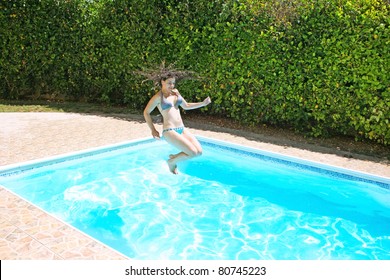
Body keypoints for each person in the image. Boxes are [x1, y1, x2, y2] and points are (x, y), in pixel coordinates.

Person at [143, 72, 211, 174]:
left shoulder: (176, 93)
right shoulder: (158, 97)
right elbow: (146, 112)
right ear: (162, 82)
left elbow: (186, 105)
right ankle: (171, 162)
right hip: (169, 131)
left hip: (181, 128)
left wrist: (203, 103)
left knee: (199, 152)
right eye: (169, 83)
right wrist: (153, 129)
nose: (172, 85)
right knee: (192, 153)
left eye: (173, 83)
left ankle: (174, 157)